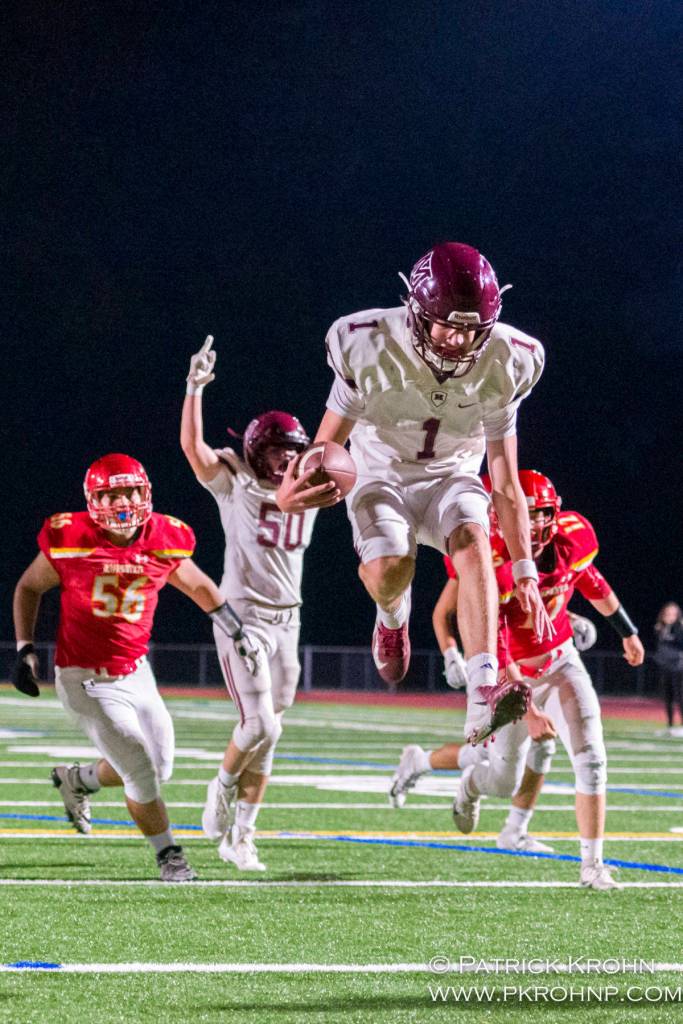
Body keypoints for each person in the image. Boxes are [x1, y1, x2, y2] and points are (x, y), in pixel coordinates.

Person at [275, 242, 552, 745]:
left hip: (453, 472)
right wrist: (296, 488)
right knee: (391, 568)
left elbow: (505, 479)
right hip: (379, 470)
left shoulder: (510, 359)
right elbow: (326, 444)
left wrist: (526, 569)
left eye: (470, 327)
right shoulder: (366, 341)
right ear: (416, 310)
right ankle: (392, 616)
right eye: (447, 323)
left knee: (472, 540)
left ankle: (483, 693)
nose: (457, 337)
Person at [389, 470, 645, 890]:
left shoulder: (572, 539)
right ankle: (468, 783)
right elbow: (495, 638)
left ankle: (591, 865)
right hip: (510, 675)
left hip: (561, 662)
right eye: (524, 516)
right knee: (501, 778)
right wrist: (525, 708)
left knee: (591, 759)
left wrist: (627, 630)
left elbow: (590, 580)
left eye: (541, 515)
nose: (535, 526)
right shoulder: (489, 561)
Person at [12, 453, 259, 882]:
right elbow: (29, 586)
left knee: (160, 767)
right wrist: (24, 647)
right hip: (84, 677)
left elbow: (198, 585)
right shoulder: (70, 537)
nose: (122, 502)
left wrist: (237, 631)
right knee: (142, 770)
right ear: (93, 499)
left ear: (144, 492)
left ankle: (78, 780)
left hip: (137, 671)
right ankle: (169, 856)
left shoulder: (165, 538)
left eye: (128, 491)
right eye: (110, 493)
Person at [181, 337, 319, 871]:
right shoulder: (236, 478)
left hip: (291, 620)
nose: (292, 459)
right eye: (284, 450)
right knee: (260, 726)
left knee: (270, 733)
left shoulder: (314, 482)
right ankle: (219, 788)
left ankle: (242, 836)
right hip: (243, 618)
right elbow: (195, 452)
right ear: (261, 450)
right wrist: (194, 388)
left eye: (297, 450)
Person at [654, 603, 683, 731]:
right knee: (667, 696)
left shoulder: (679, 627)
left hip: (678, 666)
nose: (669, 616)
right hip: (665, 665)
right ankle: (670, 725)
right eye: (667, 613)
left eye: (672, 613)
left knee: (680, 696)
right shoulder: (661, 627)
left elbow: (678, 642)